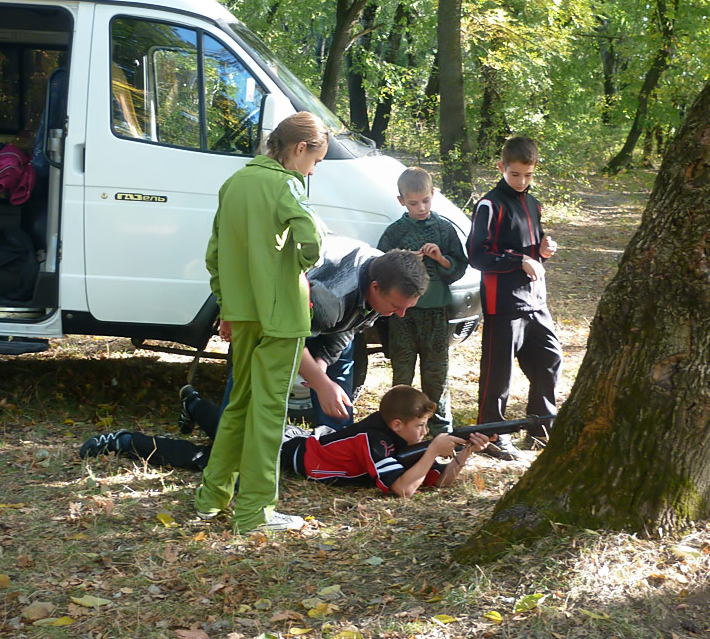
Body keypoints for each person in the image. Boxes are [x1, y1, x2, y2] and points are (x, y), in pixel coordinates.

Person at [194, 111, 328, 533]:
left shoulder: (234, 184)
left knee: (239, 405)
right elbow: (312, 237)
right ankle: (255, 514)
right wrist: (302, 262)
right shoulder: (286, 183)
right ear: (300, 149)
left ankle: (211, 498)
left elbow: (214, 255)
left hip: (244, 313)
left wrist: (227, 306)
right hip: (282, 315)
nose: (313, 170)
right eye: (316, 161)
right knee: (269, 413)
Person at [82, 386, 490, 499]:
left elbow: (436, 481)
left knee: (228, 436)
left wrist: (464, 452)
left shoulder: (403, 443)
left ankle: (194, 404)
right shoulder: (374, 440)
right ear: (398, 424)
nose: (424, 434)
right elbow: (403, 489)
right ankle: (122, 440)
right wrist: (435, 451)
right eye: (420, 427)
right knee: (207, 459)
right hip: (284, 452)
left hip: (292, 445)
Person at [204, 238, 431, 431]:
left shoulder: (386, 271)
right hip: (272, 309)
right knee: (251, 382)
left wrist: (321, 364)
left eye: (406, 307)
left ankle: (331, 454)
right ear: (374, 287)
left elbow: (349, 327)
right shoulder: (332, 299)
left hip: (319, 313)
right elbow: (286, 339)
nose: (400, 314)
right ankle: (233, 448)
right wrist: (321, 383)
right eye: (396, 306)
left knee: (336, 385)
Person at [467, 136, 562, 461]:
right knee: (499, 373)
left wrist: (542, 252)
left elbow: (532, 253)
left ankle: (541, 429)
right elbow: (478, 255)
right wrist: (518, 260)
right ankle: (492, 435)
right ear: (501, 168)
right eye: (515, 174)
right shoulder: (489, 205)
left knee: (550, 359)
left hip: (536, 301)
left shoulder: (533, 204)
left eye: (528, 175)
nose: (522, 181)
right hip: (503, 303)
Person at [377, 167, 468, 435]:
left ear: (433, 195)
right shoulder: (395, 232)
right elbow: (379, 268)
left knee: (436, 374)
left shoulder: (443, 229)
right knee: (402, 373)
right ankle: (397, 429)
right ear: (401, 201)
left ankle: (440, 430)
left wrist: (440, 259)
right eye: (413, 202)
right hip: (403, 315)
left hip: (436, 314)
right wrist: (405, 260)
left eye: (425, 201)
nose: (420, 207)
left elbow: (458, 268)